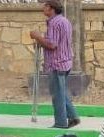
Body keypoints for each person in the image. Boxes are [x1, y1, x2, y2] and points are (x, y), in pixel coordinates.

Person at [30, 0, 80, 129]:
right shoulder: (65, 21)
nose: (43, 7)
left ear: (51, 8)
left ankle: (61, 123)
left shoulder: (54, 23)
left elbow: (52, 45)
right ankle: (73, 116)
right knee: (61, 92)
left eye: (45, 5)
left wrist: (37, 37)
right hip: (65, 61)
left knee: (57, 95)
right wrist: (41, 41)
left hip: (56, 63)